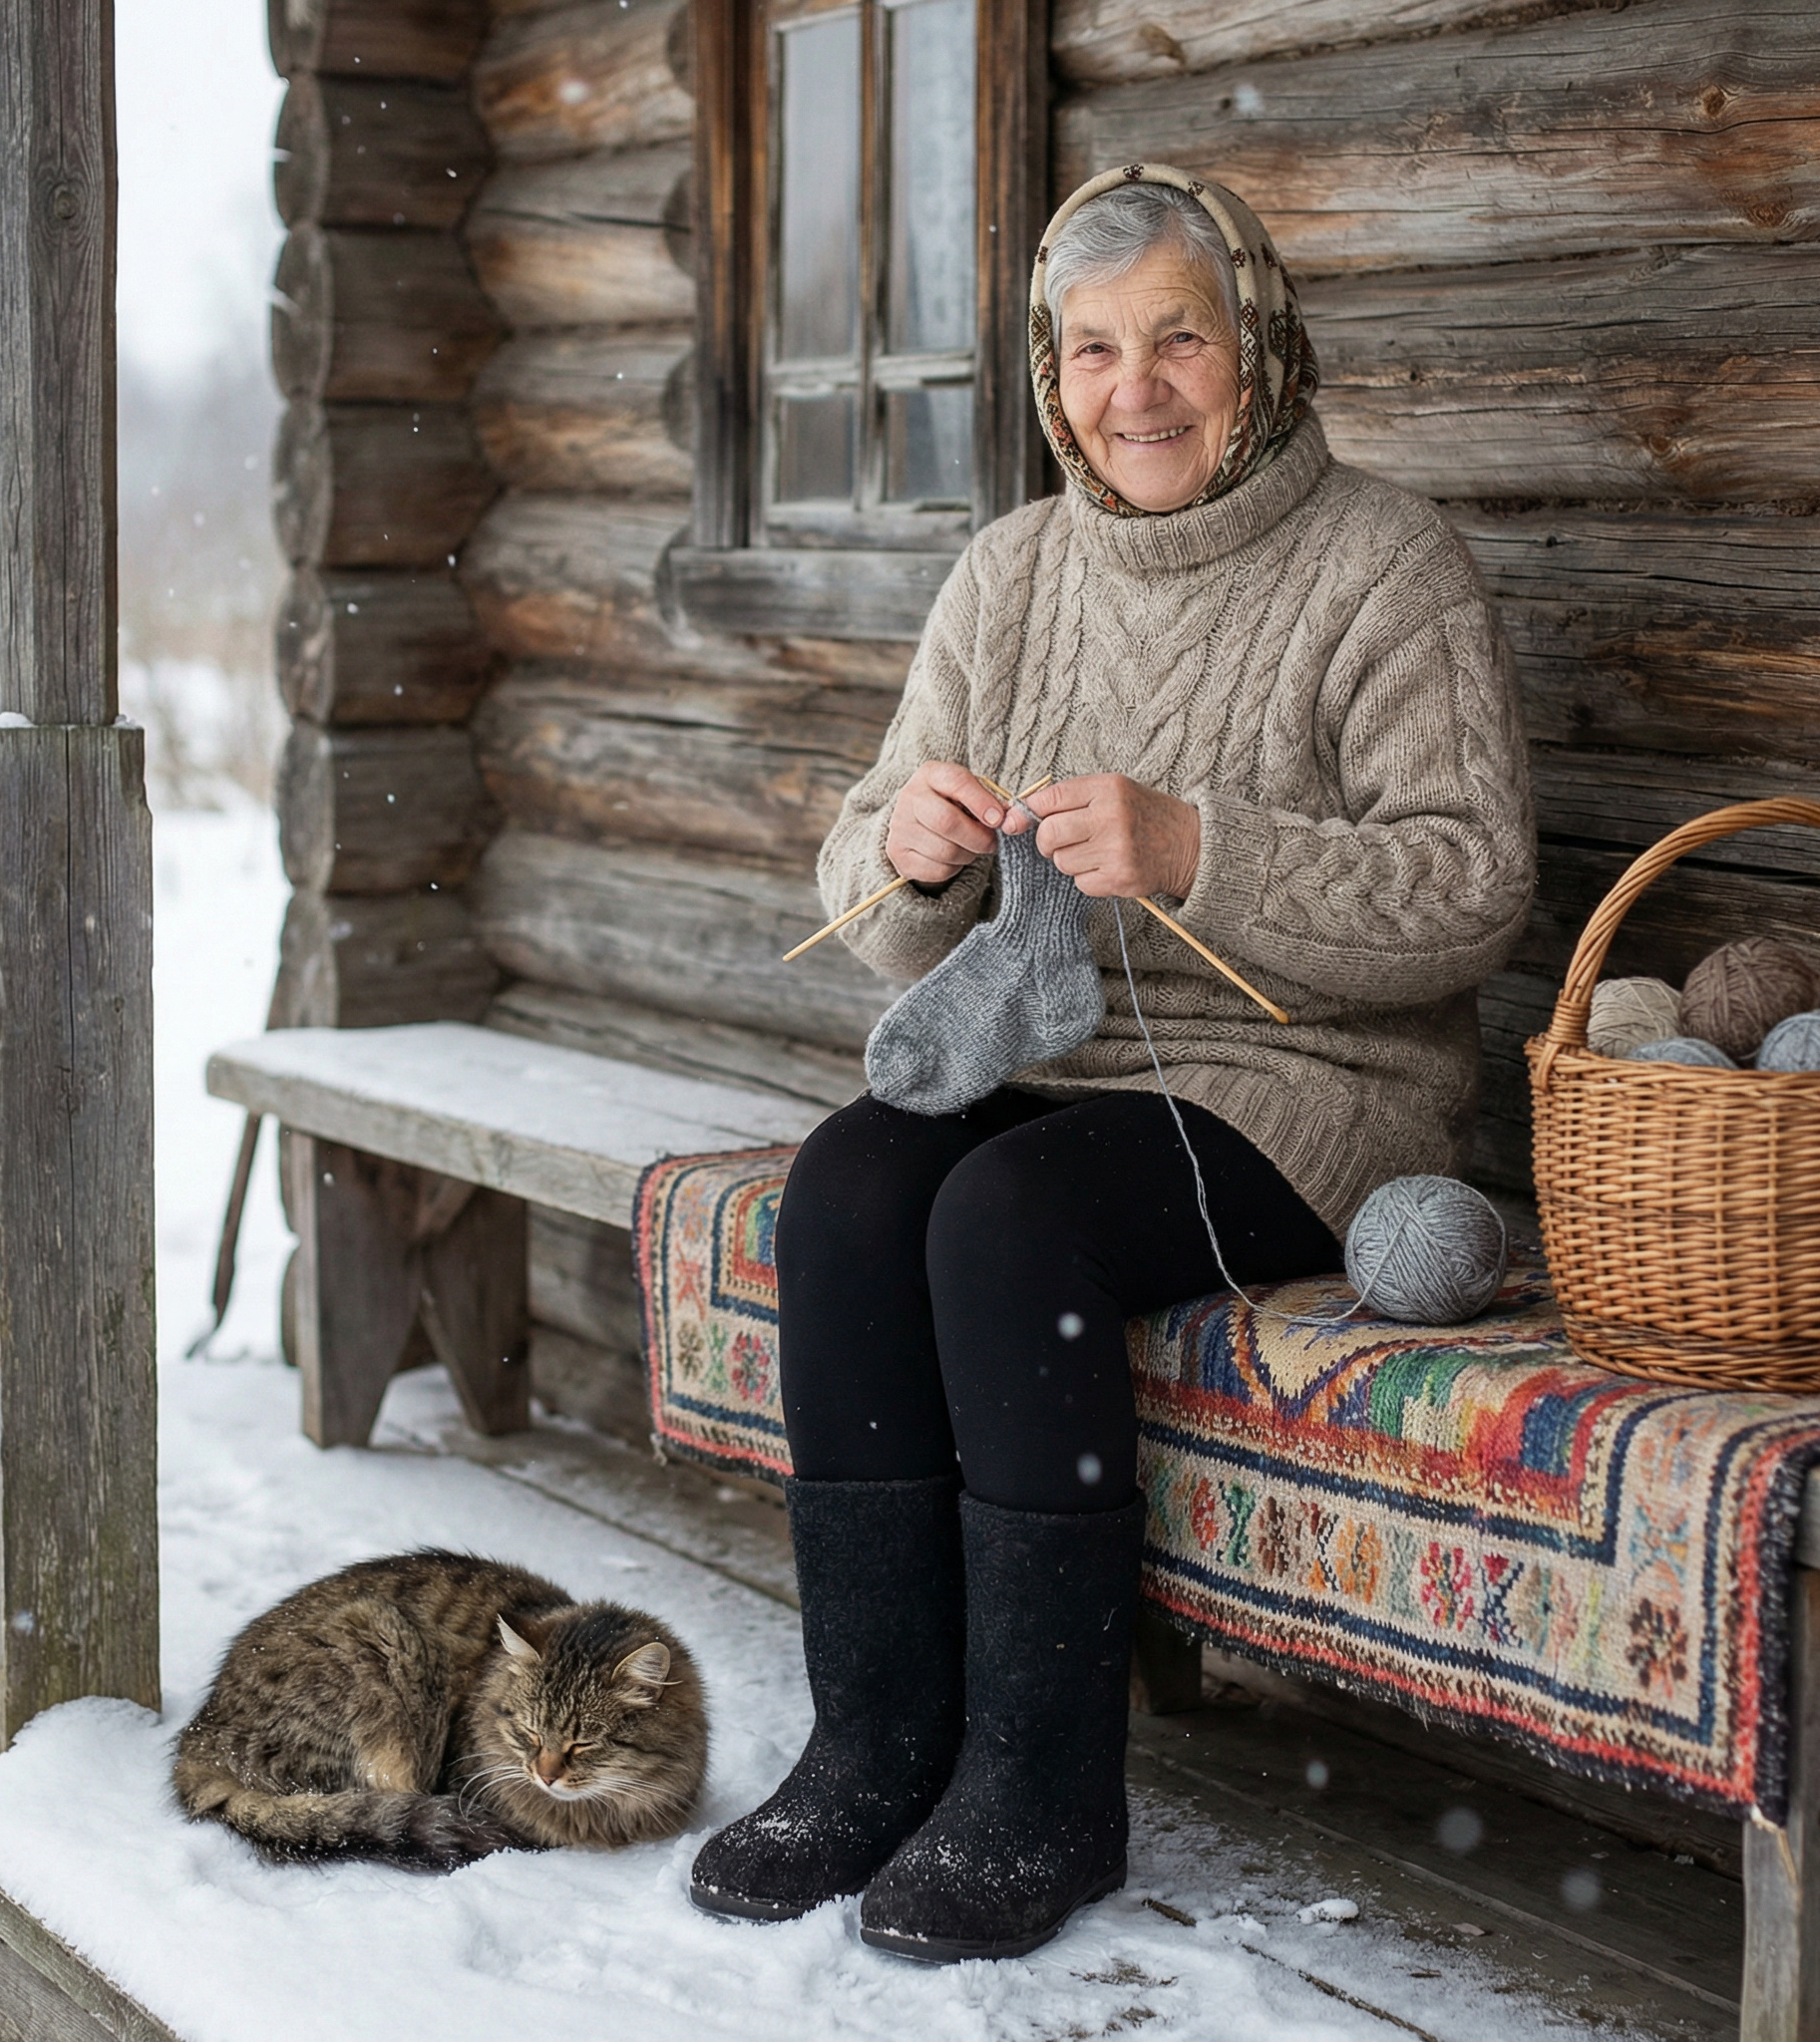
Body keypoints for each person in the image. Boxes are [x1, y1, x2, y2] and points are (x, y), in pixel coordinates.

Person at [687, 164, 1535, 1962]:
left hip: (1312, 1093)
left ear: (1263, 348)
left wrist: (1203, 851)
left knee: (1007, 1219)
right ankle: (878, 1738)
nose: (1131, 389)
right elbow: (863, 877)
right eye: (1090, 350)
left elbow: (1472, 893)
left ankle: (1043, 1788)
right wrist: (905, 854)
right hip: (1046, 1056)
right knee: (848, 1183)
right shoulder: (1007, 577)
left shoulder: (1388, 564)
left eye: (1179, 339)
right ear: (1048, 373)